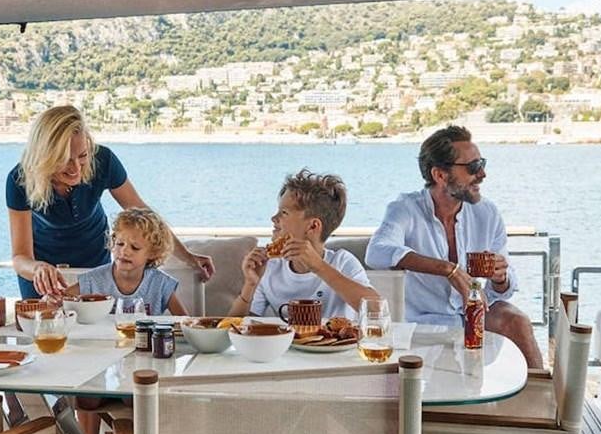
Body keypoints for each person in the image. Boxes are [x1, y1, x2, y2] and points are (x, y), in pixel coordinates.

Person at [365, 125, 543, 368]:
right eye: (473, 167)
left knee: (517, 321)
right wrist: (448, 269)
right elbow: (377, 251)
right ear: (440, 175)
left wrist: (500, 279)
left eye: (482, 164)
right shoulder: (405, 209)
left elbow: (499, 291)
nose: (482, 175)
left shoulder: (487, 214)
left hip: (473, 317)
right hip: (422, 323)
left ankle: (540, 400)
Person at [6, 106, 213, 300]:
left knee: (98, 332)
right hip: (43, 274)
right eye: (65, 159)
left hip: (95, 262)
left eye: (83, 156)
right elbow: (20, 256)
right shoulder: (20, 180)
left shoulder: (103, 160)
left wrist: (188, 257)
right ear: (45, 156)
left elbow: (144, 214)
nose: (76, 168)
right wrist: (37, 269)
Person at [229, 169, 378, 319]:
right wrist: (250, 284)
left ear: (313, 226)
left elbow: (377, 309)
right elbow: (234, 328)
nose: (274, 218)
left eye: (284, 213)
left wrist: (318, 266)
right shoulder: (271, 267)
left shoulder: (342, 262)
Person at [62, 207, 187, 316]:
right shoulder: (93, 280)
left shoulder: (160, 284)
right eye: (120, 244)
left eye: (135, 247)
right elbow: (59, 300)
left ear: (153, 253)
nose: (124, 251)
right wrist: (51, 299)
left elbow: (185, 321)